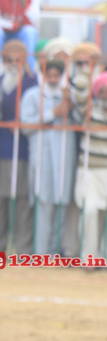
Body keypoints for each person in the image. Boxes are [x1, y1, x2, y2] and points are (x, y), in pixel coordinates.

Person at [0, 39, 36, 254]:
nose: (13, 64)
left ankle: (22, 250)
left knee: (22, 202)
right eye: (9, 60)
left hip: (23, 150)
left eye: (18, 60)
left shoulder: (33, 83)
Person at [21, 58, 79, 255]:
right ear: (43, 75)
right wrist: (52, 113)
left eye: (57, 76)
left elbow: (81, 123)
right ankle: (40, 254)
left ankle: (54, 254)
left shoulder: (69, 96)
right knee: (43, 204)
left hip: (65, 158)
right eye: (50, 75)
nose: (53, 79)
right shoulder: (32, 95)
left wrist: (71, 104)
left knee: (62, 204)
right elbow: (26, 126)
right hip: (42, 157)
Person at [76, 73, 107, 261]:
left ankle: (103, 256)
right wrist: (90, 69)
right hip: (89, 172)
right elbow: (79, 90)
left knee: (104, 216)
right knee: (89, 211)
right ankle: (89, 256)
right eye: (101, 91)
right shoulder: (89, 111)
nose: (105, 95)